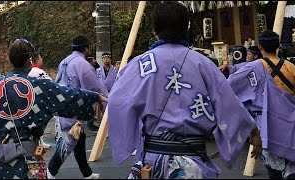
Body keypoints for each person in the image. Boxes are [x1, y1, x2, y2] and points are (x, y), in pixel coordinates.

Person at [107, 2, 262, 179]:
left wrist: (132, 135)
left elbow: (117, 100)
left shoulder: (140, 65)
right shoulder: (203, 63)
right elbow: (228, 101)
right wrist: (253, 130)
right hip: (194, 162)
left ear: (155, 30)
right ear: (185, 27)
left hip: (155, 160)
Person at [0, 38, 107, 179]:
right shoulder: (38, 86)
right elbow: (67, 96)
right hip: (30, 162)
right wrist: (94, 97)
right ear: (29, 60)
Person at [227, 30, 295, 179]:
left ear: (259, 46)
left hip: (267, 128)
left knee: (274, 173)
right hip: (291, 128)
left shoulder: (253, 67)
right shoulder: (291, 67)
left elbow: (228, 88)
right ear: (278, 45)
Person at [47, 35, 108, 179]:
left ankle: (87, 173)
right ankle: (50, 171)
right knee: (69, 141)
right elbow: (95, 87)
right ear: (86, 49)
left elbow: (57, 82)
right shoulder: (83, 64)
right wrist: (107, 101)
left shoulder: (64, 62)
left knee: (79, 139)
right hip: (74, 108)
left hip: (63, 105)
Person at [28, 52, 52, 149]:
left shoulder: (28, 72)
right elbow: (50, 84)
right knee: (41, 122)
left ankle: (38, 140)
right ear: (37, 60)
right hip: (40, 102)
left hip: (29, 101)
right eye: (41, 58)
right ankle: (39, 141)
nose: (42, 60)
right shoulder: (39, 72)